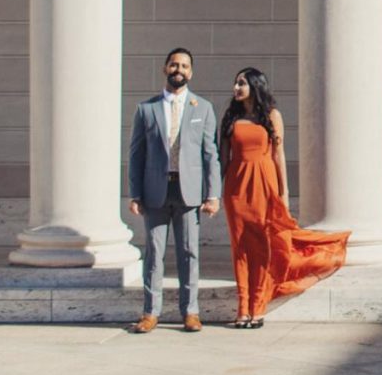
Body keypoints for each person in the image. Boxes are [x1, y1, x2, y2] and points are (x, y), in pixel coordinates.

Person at [219, 67, 349, 327]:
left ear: (255, 86)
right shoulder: (231, 118)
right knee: (240, 248)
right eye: (235, 83)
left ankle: (258, 307)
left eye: (242, 83)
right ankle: (243, 307)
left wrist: (284, 192)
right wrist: (215, 191)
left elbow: (278, 156)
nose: (236, 88)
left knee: (263, 247)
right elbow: (224, 158)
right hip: (236, 188)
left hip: (264, 185)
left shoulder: (271, 115)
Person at [125, 47, 220, 334]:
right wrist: (135, 194)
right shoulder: (146, 109)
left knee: (189, 253)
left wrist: (212, 194)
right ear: (165, 68)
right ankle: (150, 312)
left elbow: (210, 154)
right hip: (156, 190)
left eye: (185, 66)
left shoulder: (202, 108)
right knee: (154, 253)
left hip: (188, 192)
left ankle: (190, 311)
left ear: (191, 72)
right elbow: (136, 154)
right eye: (174, 65)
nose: (179, 70)